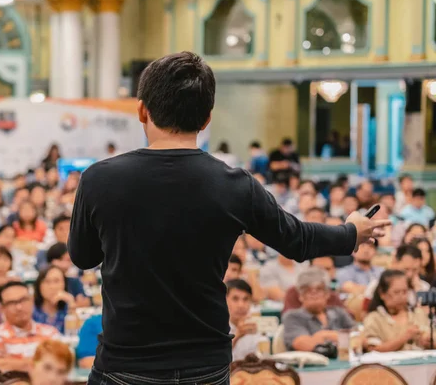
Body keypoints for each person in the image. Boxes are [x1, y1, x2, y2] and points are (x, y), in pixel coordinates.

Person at [68, 52, 388, 383]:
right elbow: (298, 240)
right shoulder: (235, 185)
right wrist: (352, 232)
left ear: (141, 110)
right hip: (205, 364)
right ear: (207, 118)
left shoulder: (100, 179)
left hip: (126, 363)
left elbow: (83, 256)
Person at [0, 282, 59, 373]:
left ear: (32, 301)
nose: (19, 307)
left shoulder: (50, 333)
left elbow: (59, 365)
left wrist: (10, 359)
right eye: (12, 303)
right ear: (2, 308)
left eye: (23, 300)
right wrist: (40, 362)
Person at [282, 267, 355, 351]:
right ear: (300, 296)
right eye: (307, 290)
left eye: (319, 289)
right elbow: (303, 344)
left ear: (327, 294)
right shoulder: (292, 316)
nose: (314, 293)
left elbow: (358, 338)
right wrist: (341, 338)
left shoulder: (338, 312)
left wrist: (324, 336)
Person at [363, 270, 430, 351]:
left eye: (405, 292)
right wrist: (404, 337)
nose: (402, 296)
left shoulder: (418, 313)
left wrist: (428, 341)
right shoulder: (374, 318)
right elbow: (374, 349)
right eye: (396, 292)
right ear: (382, 294)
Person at [32, 266, 75, 332]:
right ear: (39, 285)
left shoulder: (68, 307)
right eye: (47, 281)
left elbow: (75, 334)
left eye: (56, 281)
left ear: (64, 284)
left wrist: (71, 302)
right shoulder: (31, 310)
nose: (52, 287)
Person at [226, 279, 259, 361]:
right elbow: (217, 358)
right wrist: (238, 335)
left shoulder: (255, 325)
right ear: (224, 301)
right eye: (235, 299)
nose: (241, 305)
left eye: (246, 299)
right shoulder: (217, 327)